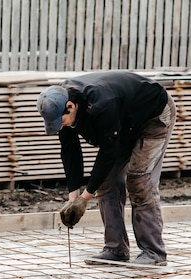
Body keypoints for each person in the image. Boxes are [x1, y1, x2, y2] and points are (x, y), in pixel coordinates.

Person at [36, 70, 176, 266]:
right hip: (124, 120)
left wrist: (85, 199)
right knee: (107, 181)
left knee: (138, 181)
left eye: (61, 122)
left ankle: (154, 252)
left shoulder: (102, 104)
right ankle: (115, 249)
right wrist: (73, 197)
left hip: (153, 116)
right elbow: (70, 150)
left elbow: (108, 153)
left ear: (71, 106)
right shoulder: (60, 102)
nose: (60, 127)